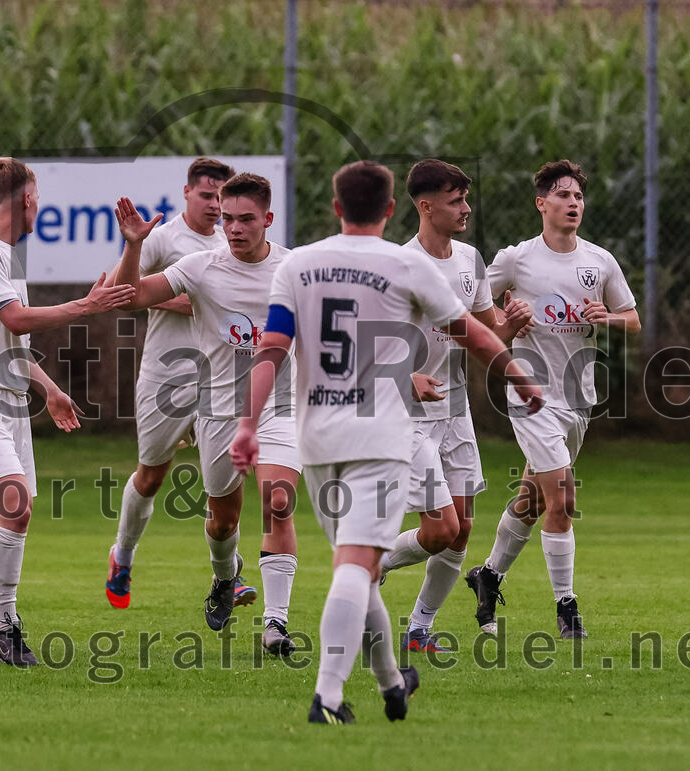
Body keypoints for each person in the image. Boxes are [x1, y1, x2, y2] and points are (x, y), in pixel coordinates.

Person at [229, 160, 543, 724]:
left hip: (316, 437)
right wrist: (519, 375)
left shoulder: (298, 264)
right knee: (357, 566)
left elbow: (271, 347)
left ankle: (392, 682)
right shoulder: (406, 264)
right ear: (393, 209)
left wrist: (249, 424)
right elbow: (470, 333)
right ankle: (326, 698)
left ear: (335, 207)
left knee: (359, 564)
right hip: (381, 434)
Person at [0, 156, 135, 666]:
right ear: (26, 199)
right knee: (16, 505)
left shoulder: (8, 257)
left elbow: (10, 341)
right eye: (38, 197)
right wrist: (84, 306)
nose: (39, 206)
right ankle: (6, 624)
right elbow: (18, 318)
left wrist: (49, 388)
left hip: (8, 404)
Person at [112, 173, 301, 656]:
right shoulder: (200, 267)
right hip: (218, 411)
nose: (234, 228)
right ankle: (224, 577)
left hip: (280, 405)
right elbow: (131, 295)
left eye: (246, 219)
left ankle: (276, 625)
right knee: (222, 521)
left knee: (278, 499)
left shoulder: (296, 269)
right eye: (230, 217)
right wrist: (134, 247)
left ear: (268, 220)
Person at [465, 159, 640, 639]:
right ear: (542, 203)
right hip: (531, 394)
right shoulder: (517, 258)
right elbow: (472, 309)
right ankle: (567, 608)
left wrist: (607, 317)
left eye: (579, 197)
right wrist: (506, 316)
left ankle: (488, 576)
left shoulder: (599, 261)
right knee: (562, 496)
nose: (573, 204)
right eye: (563, 196)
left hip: (578, 398)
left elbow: (633, 318)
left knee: (533, 499)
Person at [378, 159, 534, 654]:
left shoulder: (469, 259)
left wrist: (512, 323)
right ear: (425, 207)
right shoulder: (399, 266)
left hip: (455, 408)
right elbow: (365, 348)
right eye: (455, 201)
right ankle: (376, 561)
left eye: (466, 199)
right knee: (440, 528)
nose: (466, 208)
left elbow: (484, 336)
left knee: (462, 529)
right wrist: (406, 376)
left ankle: (419, 630)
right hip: (406, 416)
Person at [103, 158, 243, 610]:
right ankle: (122, 556)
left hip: (220, 379)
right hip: (166, 375)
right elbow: (118, 292)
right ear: (186, 194)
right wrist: (134, 251)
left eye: (222, 197)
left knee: (224, 488)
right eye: (206, 195)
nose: (215, 205)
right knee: (151, 476)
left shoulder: (234, 243)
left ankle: (229, 576)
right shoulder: (163, 239)